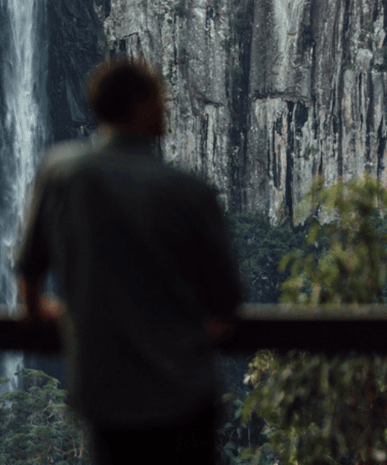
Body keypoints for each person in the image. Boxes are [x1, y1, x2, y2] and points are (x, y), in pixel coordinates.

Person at [18, 58, 242, 465]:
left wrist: (54, 314)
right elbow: (226, 308)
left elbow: (28, 274)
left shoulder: (61, 173)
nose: (166, 107)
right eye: (159, 98)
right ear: (139, 106)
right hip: (184, 395)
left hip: (107, 397)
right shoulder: (191, 192)